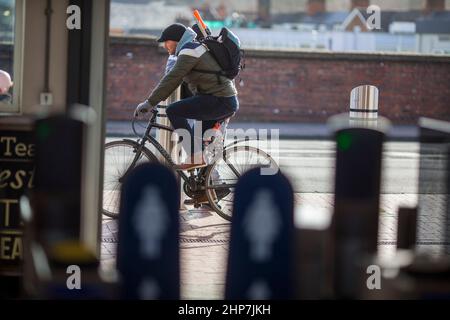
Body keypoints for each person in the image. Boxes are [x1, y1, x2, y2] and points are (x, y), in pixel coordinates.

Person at [135, 23, 239, 171]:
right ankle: (203, 189)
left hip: (220, 100)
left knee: (174, 111)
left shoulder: (190, 50)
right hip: (219, 99)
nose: (165, 46)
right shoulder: (192, 48)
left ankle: (196, 159)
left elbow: (173, 78)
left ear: (176, 40)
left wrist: (149, 103)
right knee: (198, 142)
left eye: (166, 41)